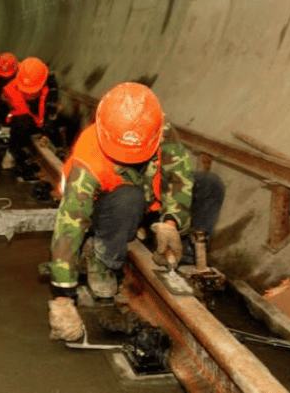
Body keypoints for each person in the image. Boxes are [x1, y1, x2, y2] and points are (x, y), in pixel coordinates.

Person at [46, 82, 226, 342]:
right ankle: (104, 258)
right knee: (128, 197)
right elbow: (69, 226)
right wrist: (62, 296)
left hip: (147, 200)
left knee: (210, 186)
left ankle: (180, 259)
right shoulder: (89, 158)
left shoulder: (157, 128)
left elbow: (178, 176)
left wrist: (171, 222)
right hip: (107, 209)